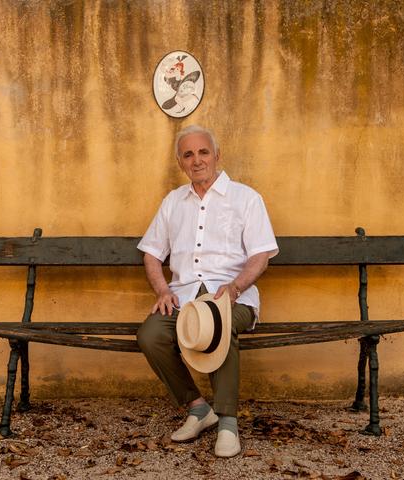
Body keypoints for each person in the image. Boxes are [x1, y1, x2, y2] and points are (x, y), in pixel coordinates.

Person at [137, 125, 278, 457]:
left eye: (203, 152)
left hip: (232, 296)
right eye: (188, 154)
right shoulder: (173, 202)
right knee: (150, 335)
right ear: (180, 162)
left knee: (217, 322)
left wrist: (236, 286)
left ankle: (228, 422)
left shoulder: (246, 198)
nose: (197, 160)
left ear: (217, 155)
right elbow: (151, 254)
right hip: (185, 298)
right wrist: (162, 290)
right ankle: (199, 408)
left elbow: (261, 255)